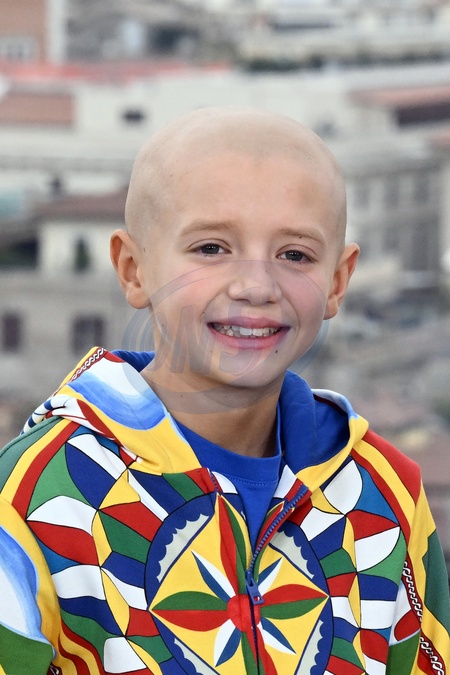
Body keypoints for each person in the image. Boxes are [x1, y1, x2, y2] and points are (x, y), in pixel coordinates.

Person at [0, 107, 449, 675]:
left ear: (337, 282)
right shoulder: (35, 498)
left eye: (295, 255)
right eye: (211, 248)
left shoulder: (385, 495)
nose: (256, 286)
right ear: (134, 270)